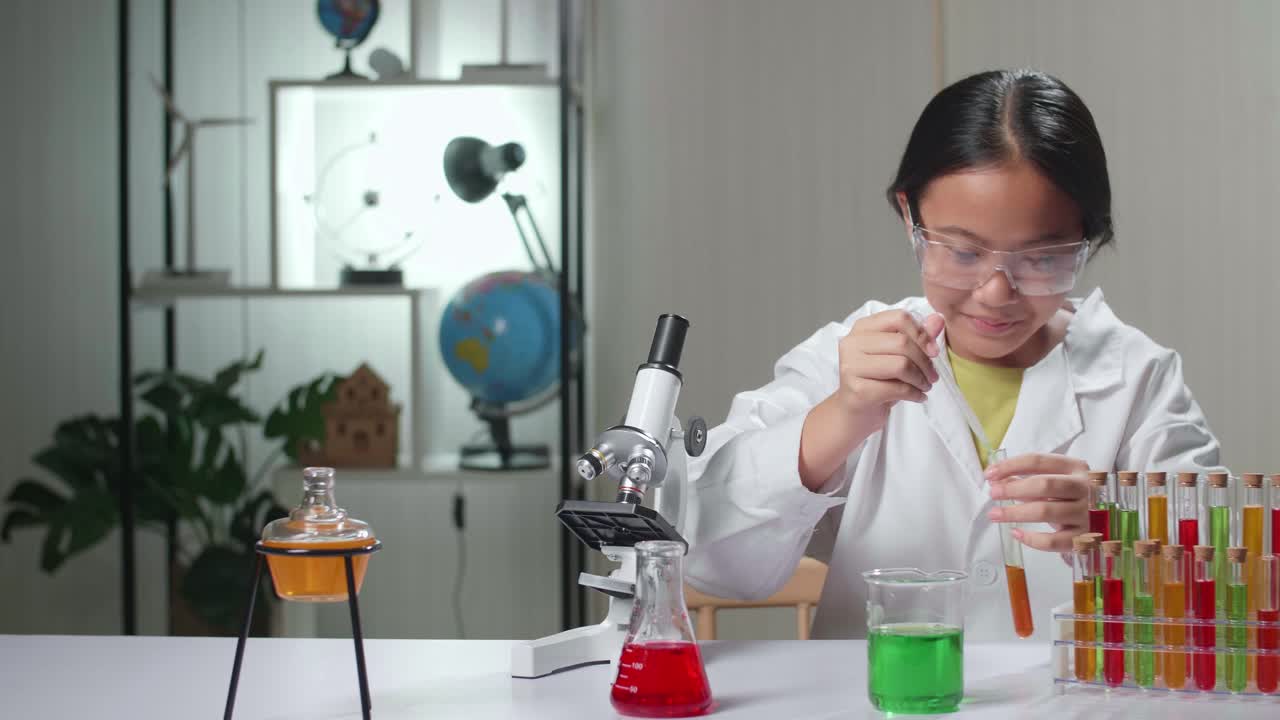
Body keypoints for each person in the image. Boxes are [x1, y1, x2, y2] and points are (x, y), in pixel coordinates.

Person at [684, 68, 1220, 640]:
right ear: (910, 216)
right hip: (881, 688)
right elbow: (706, 555)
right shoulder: (848, 359)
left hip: (1068, 687)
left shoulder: (1137, 378)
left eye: (1041, 259)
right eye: (963, 253)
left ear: (1087, 240)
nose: (995, 292)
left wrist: (1121, 526)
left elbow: (1223, 584)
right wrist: (839, 419)